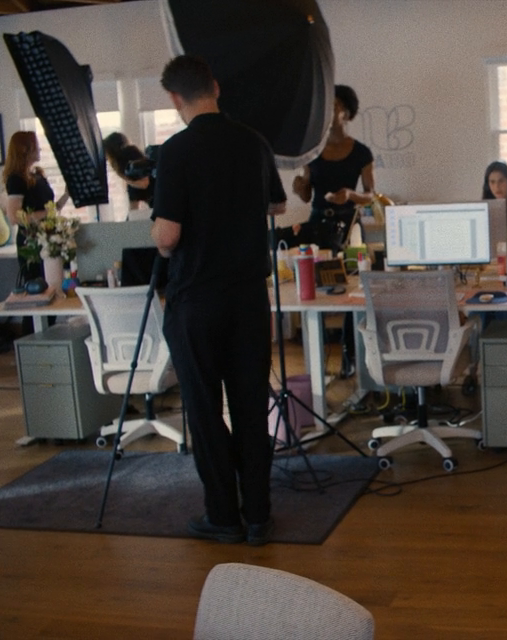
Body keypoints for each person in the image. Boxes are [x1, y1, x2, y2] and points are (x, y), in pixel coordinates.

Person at [150, 55, 287, 546]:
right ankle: (259, 515)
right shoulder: (254, 142)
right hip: (248, 298)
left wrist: (158, 227)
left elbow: (168, 236)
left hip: (197, 300)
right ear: (215, 87)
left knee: (205, 410)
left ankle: (223, 516)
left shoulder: (176, 152)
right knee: (251, 405)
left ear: (175, 98)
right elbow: (277, 204)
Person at [291, 84, 376, 250]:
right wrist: (299, 187)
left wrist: (350, 195)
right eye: (324, 107)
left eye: (334, 106)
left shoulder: (361, 153)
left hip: (349, 225)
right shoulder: (312, 150)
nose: (327, 112)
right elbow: (306, 197)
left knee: (351, 264)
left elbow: (370, 195)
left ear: (347, 114)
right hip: (318, 223)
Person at [1, 130, 70, 283]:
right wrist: (46, 214)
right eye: (36, 145)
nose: (39, 149)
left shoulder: (37, 175)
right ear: (24, 149)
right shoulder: (16, 180)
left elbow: (51, 209)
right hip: (31, 242)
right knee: (37, 282)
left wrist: (66, 195)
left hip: (48, 238)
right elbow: (14, 217)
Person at [101, 131, 155, 209]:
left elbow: (144, 184)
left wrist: (125, 178)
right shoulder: (131, 177)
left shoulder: (130, 158)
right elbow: (133, 205)